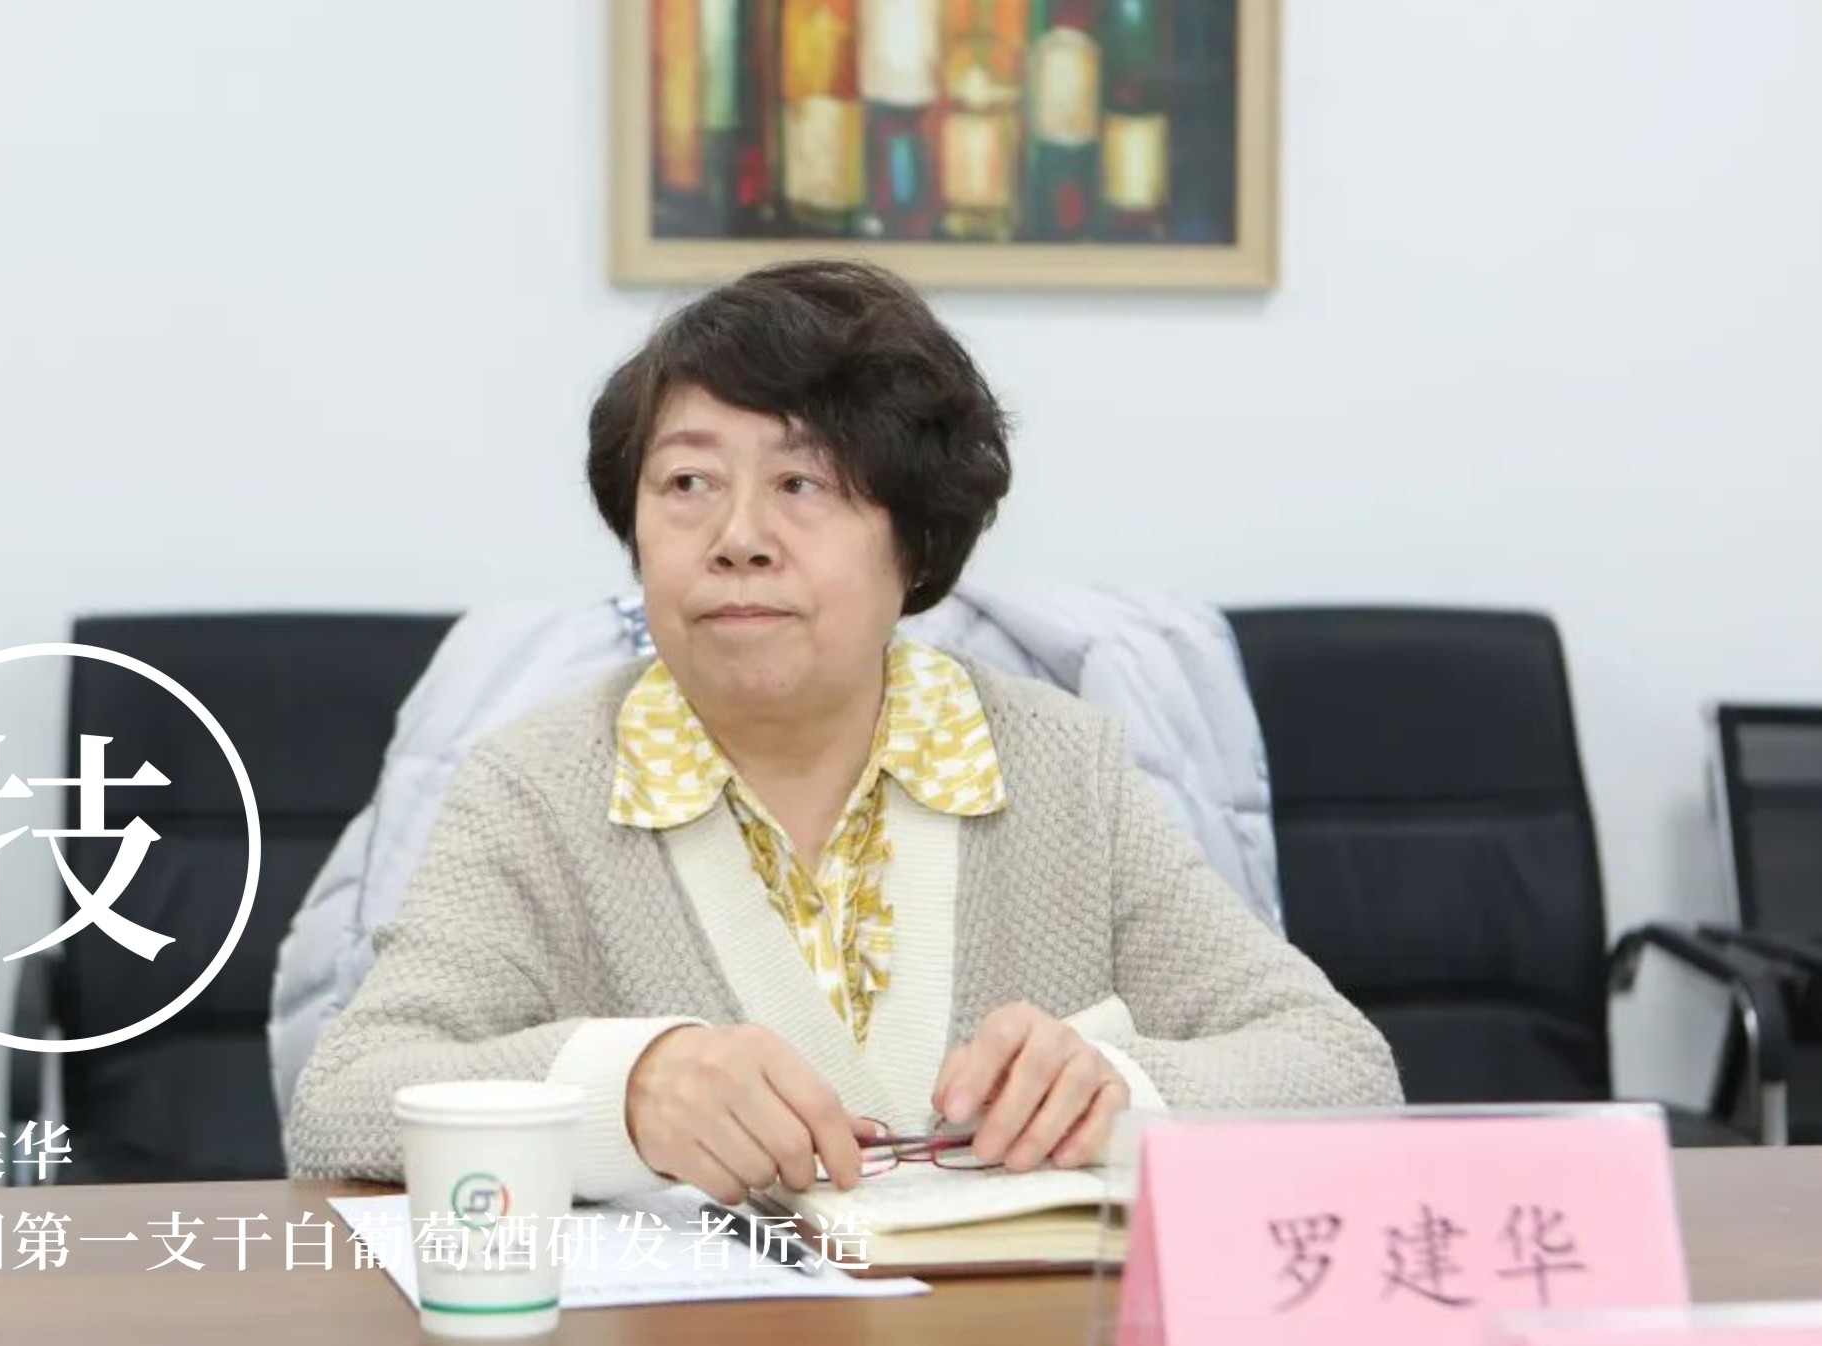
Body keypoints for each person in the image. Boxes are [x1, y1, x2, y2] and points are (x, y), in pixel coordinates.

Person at [285, 259, 1402, 1204]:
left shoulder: (1063, 766)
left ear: (915, 541)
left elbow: (1340, 1067)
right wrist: (621, 1089)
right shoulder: (535, 783)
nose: (737, 538)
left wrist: (1123, 1091)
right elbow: (342, 1099)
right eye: (687, 482)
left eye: (803, 483)